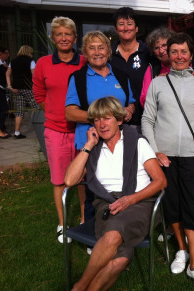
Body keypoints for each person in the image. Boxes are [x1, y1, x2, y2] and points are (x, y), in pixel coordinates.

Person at [64, 97, 167, 291]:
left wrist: (131, 199)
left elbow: (161, 181)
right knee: (120, 260)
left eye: (107, 118)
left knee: (112, 235)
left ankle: (79, 286)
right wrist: (87, 145)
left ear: (119, 120)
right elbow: (69, 180)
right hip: (107, 204)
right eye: (97, 120)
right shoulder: (94, 149)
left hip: (139, 202)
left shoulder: (137, 142)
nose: (102, 125)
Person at [142, 32, 194, 291]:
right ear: (167, 55)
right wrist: (154, 152)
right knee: (172, 205)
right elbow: (147, 120)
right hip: (165, 158)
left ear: (191, 54)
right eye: (174, 51)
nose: (178, 56)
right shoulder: (157, 84)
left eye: (183, 51)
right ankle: (182, 250)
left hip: (193, 156)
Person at [65, 30, 134, 228]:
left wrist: (129, 109)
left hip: (118, 140)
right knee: (91, 188)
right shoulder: (78, 78)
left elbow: (131, 102)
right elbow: (70, 113)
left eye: (101, 47)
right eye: (91, 48)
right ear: (85, 53)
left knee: (120, 182)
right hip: (92, 139)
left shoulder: (120, 75)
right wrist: (104, 117)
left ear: (108, 51)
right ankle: (90, 226)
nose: (97, 52)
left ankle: (121, 224)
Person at [32, 16, 87, 243]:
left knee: (84, 178)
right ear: (53, 38)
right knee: (59, 180)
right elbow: (39, 95)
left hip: (82, 129)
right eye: (59, 34)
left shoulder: (85, 61)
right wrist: (57, 112)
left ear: (75, 38)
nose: (64, 38)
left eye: (68, 34)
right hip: (55, 130)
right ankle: (63, 224)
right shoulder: (44, 63)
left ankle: (85, 221)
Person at [140, 26, 194, 107]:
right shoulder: (152, 69)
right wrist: (156, 86)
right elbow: (144, 101)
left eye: (164, 45)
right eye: (156, 48)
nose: (161, 51)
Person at [109, 7, 149, 129]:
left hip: (146, 119)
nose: (126, 28)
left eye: (130, 24)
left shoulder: (148, 53)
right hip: (115, 120)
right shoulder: (108, 54)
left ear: (136, 28)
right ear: (116, 29)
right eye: (121, 24)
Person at [6, 45, 40, 139]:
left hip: (17, 89)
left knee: (20, 110)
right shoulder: (30, 61)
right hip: (28, 89)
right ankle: (42, 130)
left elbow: (7, 74)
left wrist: (9, 86)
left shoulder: (13, 61)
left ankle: (16, 133)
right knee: (39, 108)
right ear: (29, 52)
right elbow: (35, 76)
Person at [0, 47, 11, 138]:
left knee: (4, 109)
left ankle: (2, 128)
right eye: (6, 53)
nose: (8, 55)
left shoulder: (4, 64)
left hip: (2, 88)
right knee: (3, 109)